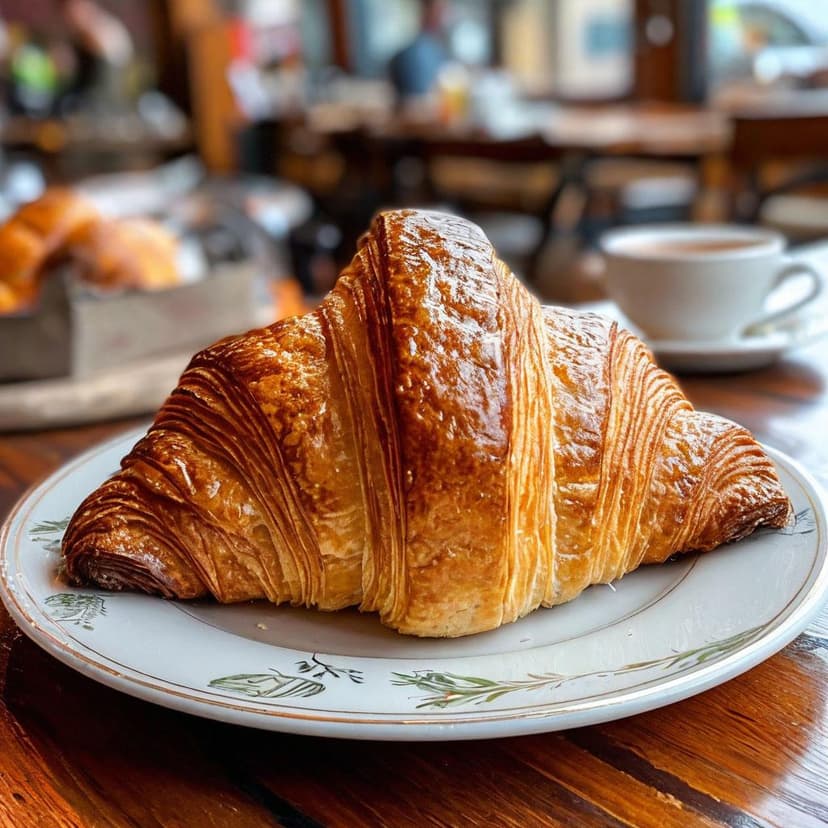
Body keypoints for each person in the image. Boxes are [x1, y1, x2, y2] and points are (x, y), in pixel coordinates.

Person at [388, 0, 448, 101]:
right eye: (441, 10)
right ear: (426, 11)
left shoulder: (437, 49)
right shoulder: (415, 55)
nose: (446, 17)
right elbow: (420, 99)